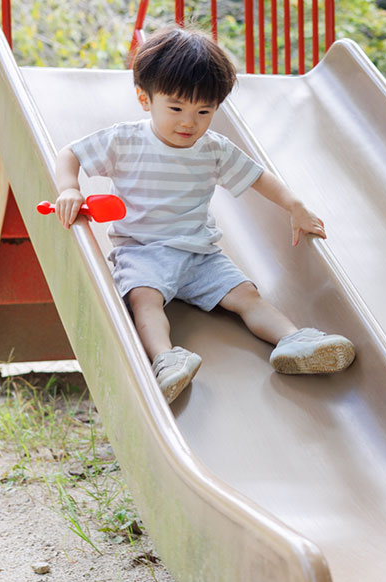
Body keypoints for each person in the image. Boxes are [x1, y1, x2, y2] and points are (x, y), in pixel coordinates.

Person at [53, 25, 355, 403]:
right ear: (145, 99)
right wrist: (70, 188)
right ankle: (166, 360)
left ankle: (294, 341)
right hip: (142, 250)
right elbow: (70, 154)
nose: (188, 122)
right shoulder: (125, 140)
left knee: (246, 295)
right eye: (176, 108)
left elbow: (259, 178)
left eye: (203, 111)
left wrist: (295, 205)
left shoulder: (213, 149)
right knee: (143, 301)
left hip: (201, 254)